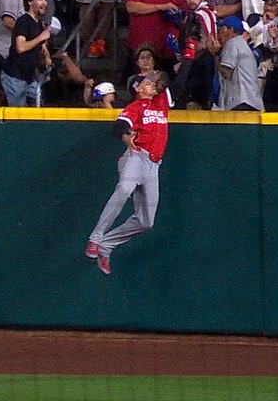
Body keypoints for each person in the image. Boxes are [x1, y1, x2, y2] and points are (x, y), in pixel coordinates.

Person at [84, 54, 190, 276]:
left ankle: (107, 245)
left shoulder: (160, 103)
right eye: (147, 83)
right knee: (123, 188)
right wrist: (125, 138)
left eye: (153, 84)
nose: (152, 84)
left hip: (154, 165)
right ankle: (95, 239)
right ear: (138, 88)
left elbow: (172, 82)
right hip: (136, 156)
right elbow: (120, 125)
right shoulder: (136, 107)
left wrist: (187, 55)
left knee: (146, 222)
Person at [1, 0, 52, 106]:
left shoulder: (39, 23)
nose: (44, 3)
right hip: (15, 76)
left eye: (45, 0)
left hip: (30, 76)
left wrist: (47, 57)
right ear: (30, 2)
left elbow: (43, 47)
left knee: (37, 107)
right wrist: (40, 37)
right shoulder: (23, 21)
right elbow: (21, 47)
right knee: (18, 115)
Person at [211, 15, 262, 110]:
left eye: (222, 29)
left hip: (241, 102)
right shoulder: (241, 44)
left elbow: (226, 73)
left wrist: (216, 54)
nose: (219, 33)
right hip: (251, 101)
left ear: (230, 29)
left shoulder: (232, 43)